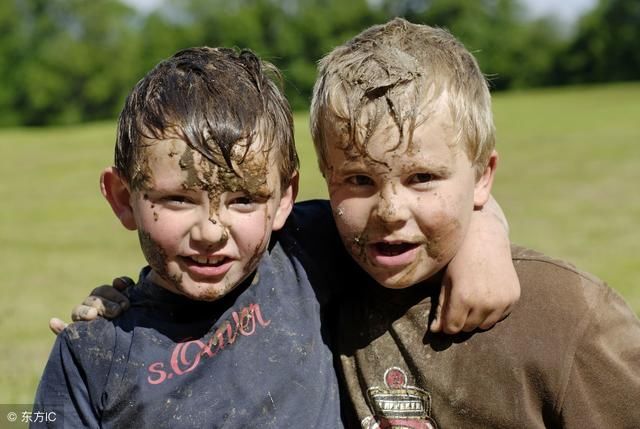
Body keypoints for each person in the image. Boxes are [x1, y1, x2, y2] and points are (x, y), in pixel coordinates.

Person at [35, 45, 519, 427]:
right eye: (178, 200)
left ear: (284, 198)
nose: (210, 232)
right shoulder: (92, 353)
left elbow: (418, 214)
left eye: (244, 199)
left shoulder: (305, 254)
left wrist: (485, 235)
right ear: (122, 198)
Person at [309, 18, 640, 428]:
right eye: (360, 180)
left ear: (483, 175)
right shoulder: (305, 283)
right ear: (327, 174)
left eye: (422, 178)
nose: (390, 211)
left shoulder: (571, 318)